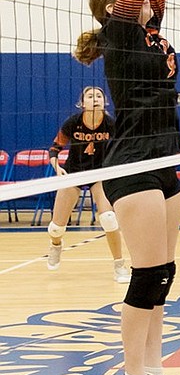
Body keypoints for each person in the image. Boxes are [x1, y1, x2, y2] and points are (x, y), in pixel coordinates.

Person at [72, 0, 178, 375]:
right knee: (145, 276)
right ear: (117, 7)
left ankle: (155, 374)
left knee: (164, 274)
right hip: (133, 164)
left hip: (165, 162)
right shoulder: (120, 33)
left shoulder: (151, 27)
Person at [45, 86, 128, 283]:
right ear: (82, 104)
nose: (95, 99)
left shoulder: (110, 124)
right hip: (73, 173)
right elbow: (54, 149)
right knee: (56, 228)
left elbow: (121, 149)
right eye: (90, 96)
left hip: (99, 173)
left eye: (99, 96)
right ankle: (56, 245)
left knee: (108, 218)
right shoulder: (73, 123)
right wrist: (57, 168)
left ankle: (119, 265)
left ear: (104, 101)